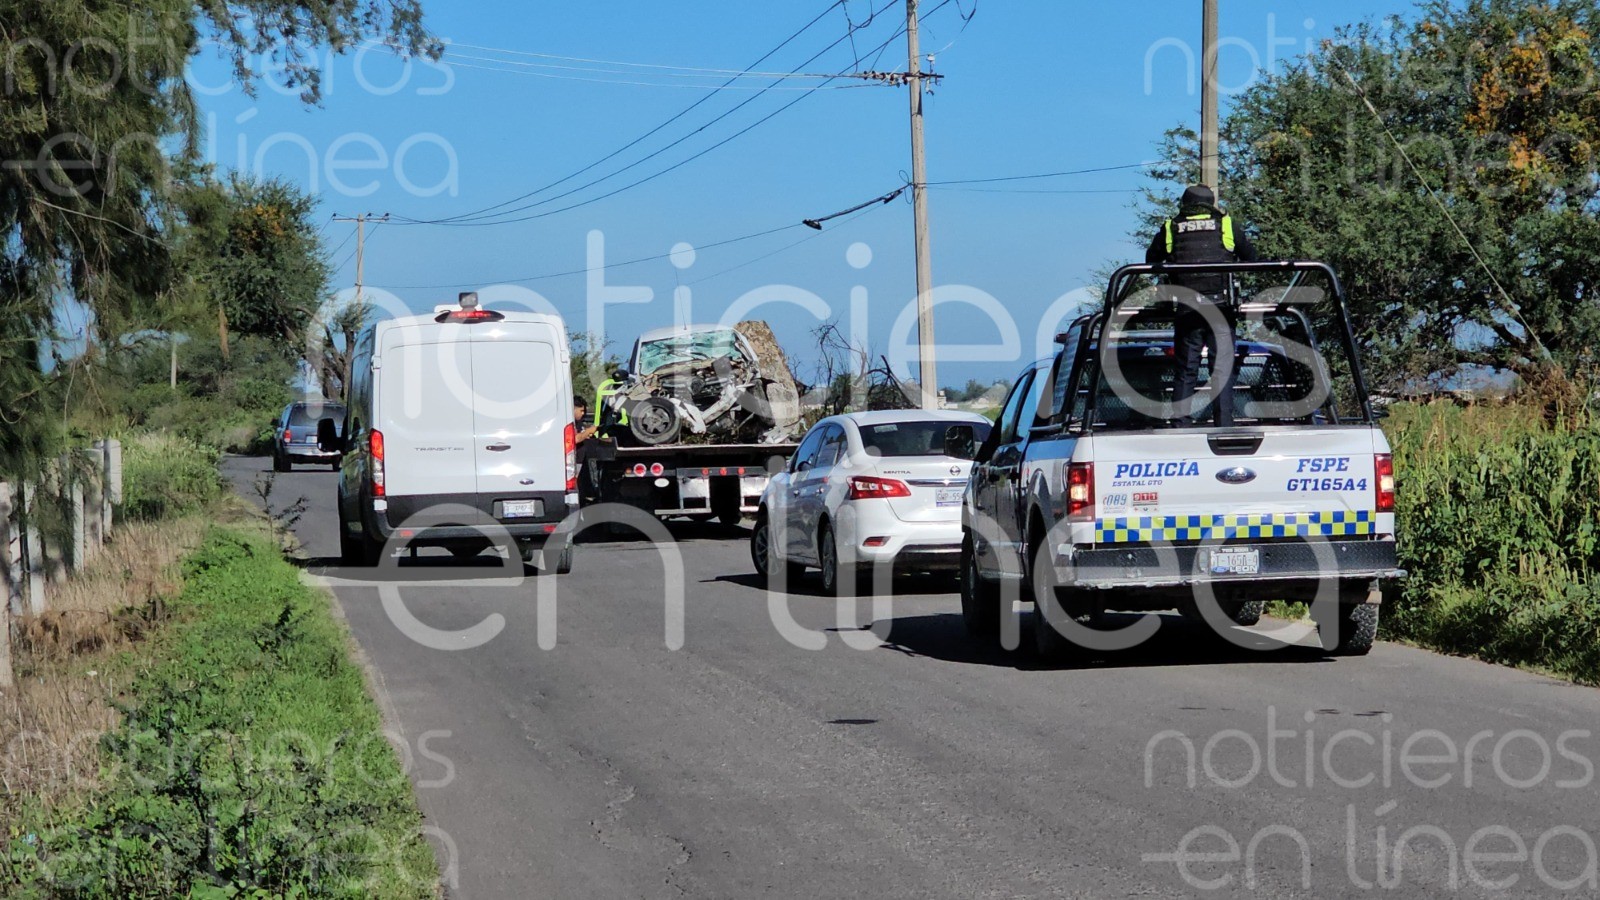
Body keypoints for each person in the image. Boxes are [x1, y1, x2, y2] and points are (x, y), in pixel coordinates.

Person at [1146, 184, 1258, 426]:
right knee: (1221, 370)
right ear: (1211, 203)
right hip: (1220, 307)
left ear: (1185, 204)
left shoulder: (1171, 227)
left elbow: (1151, 259)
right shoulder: (1226, 224)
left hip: (1187, 309)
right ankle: (1224, 425)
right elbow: (1252, 257)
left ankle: (1181, 424)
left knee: (1186, 369)